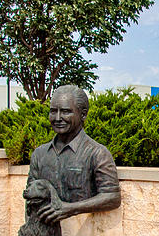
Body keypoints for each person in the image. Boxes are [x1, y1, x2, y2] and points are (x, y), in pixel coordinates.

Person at [26, 84, 121, 224]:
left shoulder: (97, 153)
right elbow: (30, 196)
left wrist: (69, 209)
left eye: (65, 111)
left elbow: (112, 197)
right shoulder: (39, 154)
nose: (58, 118)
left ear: (83, 114)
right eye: (53, 111)